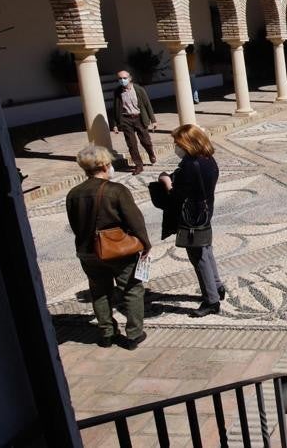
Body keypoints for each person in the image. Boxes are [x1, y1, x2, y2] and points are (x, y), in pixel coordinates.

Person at [65, 145, 152, 349]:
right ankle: (134, 334)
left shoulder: (73, 193)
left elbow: (74, 224)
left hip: (87, 251)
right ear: (104, 165)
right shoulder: (116, 190)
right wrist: (145, 243)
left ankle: (107, 333)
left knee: (99, 291)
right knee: (131, 289)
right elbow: (135, 221)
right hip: (118, 250)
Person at [158, 124, 224, 317]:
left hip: (192, 218)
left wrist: (167, 182)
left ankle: (211, 300)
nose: (176, 146)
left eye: (177, 143)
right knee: (206, 249)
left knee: (198, 257)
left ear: (187, 143)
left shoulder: (190, 165)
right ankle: (217, 286)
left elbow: (177, 196)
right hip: (205, 211)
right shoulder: (208, 159)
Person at [110, 70, 157, 175]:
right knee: (131, 144)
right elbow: (115, 108)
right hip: (126, 119)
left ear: (130, 78)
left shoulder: (139, 89)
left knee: (145, 141)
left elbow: (147, 105)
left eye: (124, 78)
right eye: (120, 78)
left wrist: (153, 120)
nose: (122, 80)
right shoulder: (117, 92)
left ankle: (151, 153)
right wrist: (115, 125)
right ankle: (139, 165)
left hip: (139, 118)